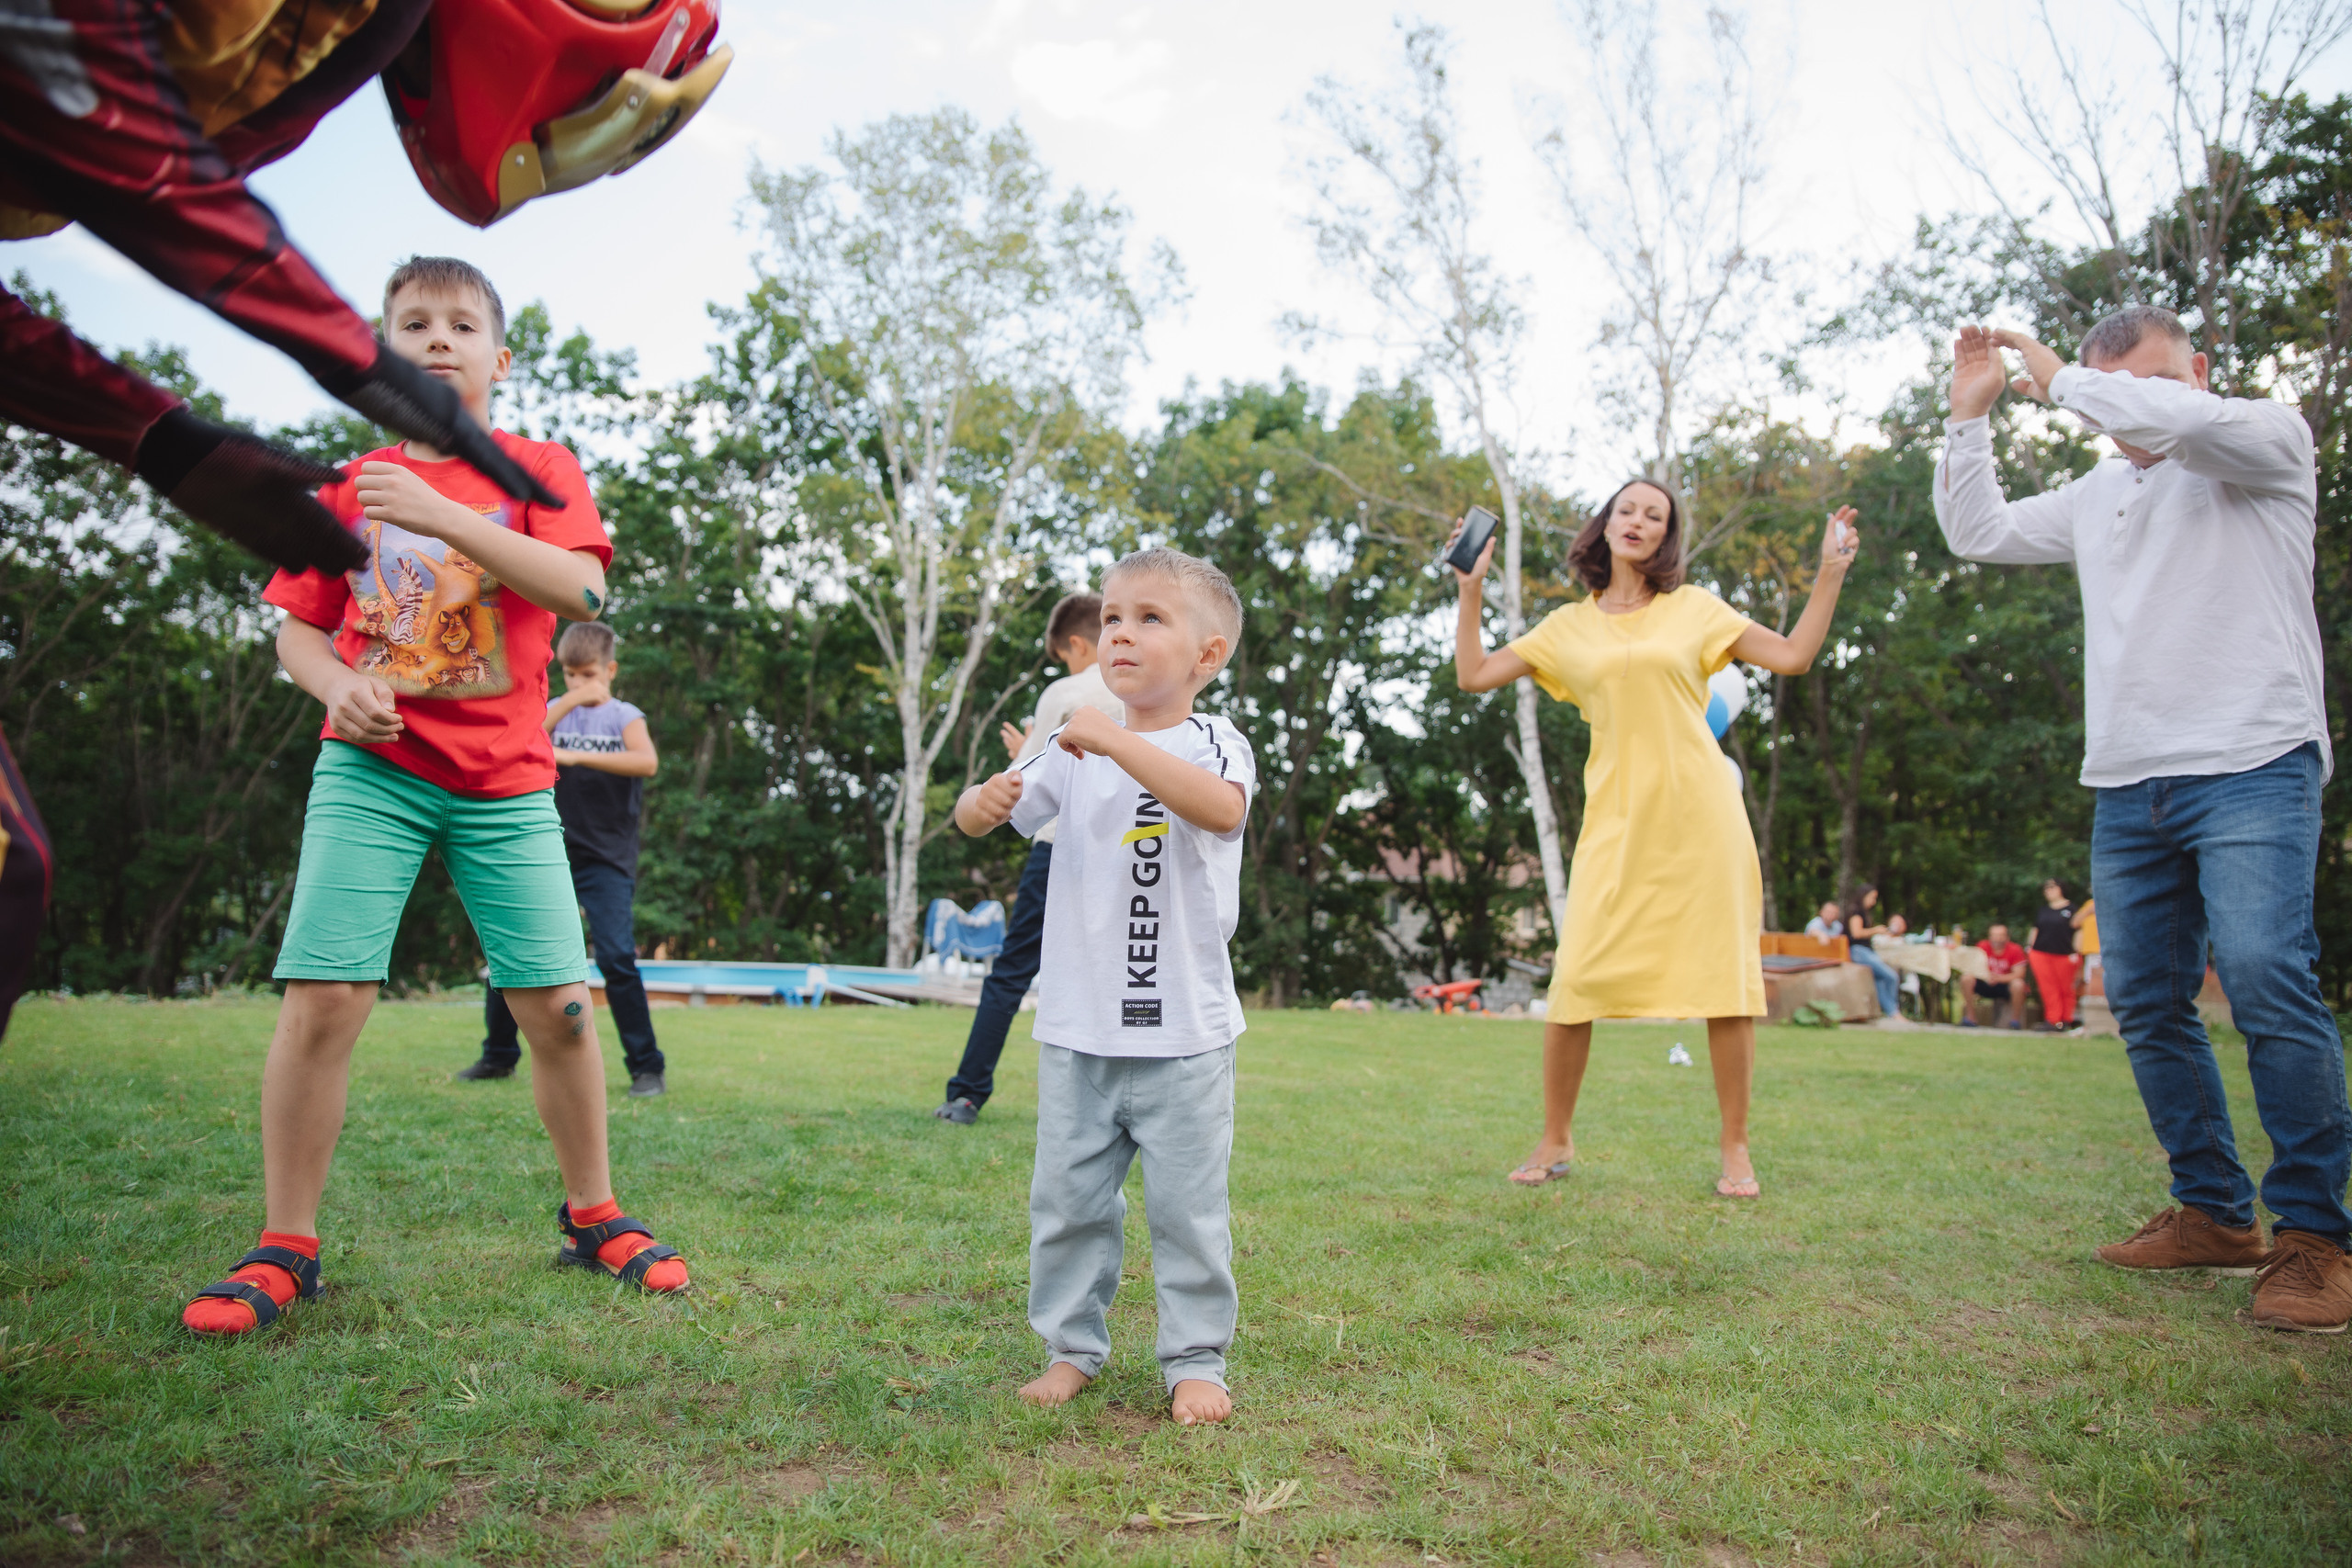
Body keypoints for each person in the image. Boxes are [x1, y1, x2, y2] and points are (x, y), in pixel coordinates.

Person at [178, 257, 689, 1337]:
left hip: (507, 780)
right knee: (325, 998)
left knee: (555, 1005)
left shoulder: (540, 467)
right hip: (373, 773)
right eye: (412, 323)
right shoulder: (342, 486)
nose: (438, 338)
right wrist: (336, 684)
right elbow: (298, 628)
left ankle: (593, 1215)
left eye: (462, 324)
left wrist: (442, 513)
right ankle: (285, 1247)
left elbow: (583, 589)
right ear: (377, 359)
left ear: (500, 360)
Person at [1939, 307, 2351, 1331]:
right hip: (2129, 781)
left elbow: (2160, 417)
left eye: (2161, 382)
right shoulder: (2097, 493)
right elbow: (1976, 531)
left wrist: (2058, 379)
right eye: (2118, 386)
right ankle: (2214, 1212)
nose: (2142, 406)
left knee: (2263, 976)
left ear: (2200, 373)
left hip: (2252, 759)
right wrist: (1967, 419)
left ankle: (2314, 1240)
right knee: (2147, 1000)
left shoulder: (2262, 440)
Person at [1451, 480, 1861, 1200]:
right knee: (1575, 978)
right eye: (1627, 509)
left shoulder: (1695, 609)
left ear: (1666, 536)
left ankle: (1736, 1148)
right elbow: (1473, 674)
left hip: (1704, 822)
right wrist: (1470, 589)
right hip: (1615, 826)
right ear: (1605, 525)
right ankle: (1556, 1134)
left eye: (1655, 515)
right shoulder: (1566, 629)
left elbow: (1793, 655)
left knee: (1725, 984)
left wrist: (1829, 572)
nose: (1638, 520)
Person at [952, 547, 1255, 1427]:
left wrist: (1114, 737)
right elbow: (993, 813)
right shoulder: (1072, 742)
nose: (1120, 632)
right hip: (1081, 1029)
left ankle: (1196, 1357)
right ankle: (1071, 1347)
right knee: (1069, 1203)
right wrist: (983, 801)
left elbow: (1221, 808)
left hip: (1185, 1034)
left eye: (1150, 617)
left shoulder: (1211, 741)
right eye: (1113, 617)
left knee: (1189, 1211)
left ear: (1207, 655)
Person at [934, 592, 1123, 1123]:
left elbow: (1023, 779)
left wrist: (1024, 749)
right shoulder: (1148, 690)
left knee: (1013, 972)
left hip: (1061, 849)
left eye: (1065, 655)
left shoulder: (1066, 692)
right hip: (1134, 850)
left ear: (1078, 644)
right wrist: (1031, 745)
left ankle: (967, 1093)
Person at [459, 622, 665, 1096]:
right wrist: (568, 702)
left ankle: (647, 1069)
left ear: (610, 671)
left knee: (616, 957)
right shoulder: (555, 711)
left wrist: (571, 757)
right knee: (510, 954)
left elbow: (646, 762)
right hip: (545, 848)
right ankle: (498, 1056)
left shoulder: (624, 716)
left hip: (606, 859)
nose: (578, 683)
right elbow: (527, 738)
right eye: (569, 675)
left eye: (587, 675)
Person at [2030, 879, 2083, 1032]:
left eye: (2052, 887)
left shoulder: (2072, 909)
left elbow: (2078, 931)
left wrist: (2076, 952)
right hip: (2041, 953)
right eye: (2046, 888)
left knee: (2066, 988)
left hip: (2064, 954)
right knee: (2048, 988)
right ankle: (2052, 1020)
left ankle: (2066, 1019)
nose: (2048, 890)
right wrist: (2030, 948)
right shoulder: (2043, 910)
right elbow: (2036, 929)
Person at [1847, 886, 1903, 1018]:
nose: (1874, 901)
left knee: (1879, 980)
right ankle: (1894, 1011)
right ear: (1864, 896)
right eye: (1873, 897)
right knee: (1891, 976)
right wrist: (1876, 930)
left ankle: (1892, 1013)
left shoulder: (1863, 913)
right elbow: (1856, 933)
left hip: (1864, 951)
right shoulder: (1856, 913)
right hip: (1858, 951)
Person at [1962, 924, 2030, 1030]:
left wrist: (1998, 978)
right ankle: (1970, 1018)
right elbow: (1973, 967)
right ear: (1989, 937)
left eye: (2000, 935)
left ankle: (2015, 1022)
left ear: (2007, 937)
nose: (1997, 939)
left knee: (2018, 984)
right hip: (1985, 983)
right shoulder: (1982, 947)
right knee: (1966, 978)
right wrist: (1987, 977)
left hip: (2004, 985)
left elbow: (2020, 974)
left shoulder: (2015, 949)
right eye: (1994, 935)